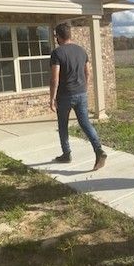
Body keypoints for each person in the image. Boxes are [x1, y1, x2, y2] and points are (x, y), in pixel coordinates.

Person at [49, 22, 107, 170]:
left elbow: (55, 78)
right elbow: (87, 72)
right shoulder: (81, 51)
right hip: (81, 93)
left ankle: (66, 154)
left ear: (59, 37)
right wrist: (84, 88)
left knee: (63, 125)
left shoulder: (57, 53)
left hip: (64, 96)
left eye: (56, 36)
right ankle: (99, 150)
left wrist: (52, 98)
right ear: (70, 35)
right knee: (85, 123)